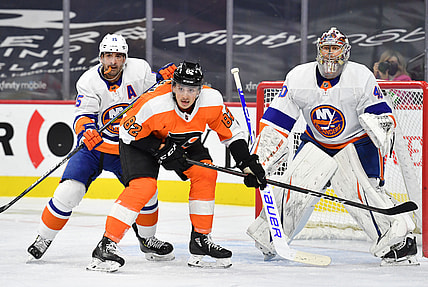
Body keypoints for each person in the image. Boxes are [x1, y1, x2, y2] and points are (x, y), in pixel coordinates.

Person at [246, 27, 418, 266]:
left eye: (334, 48)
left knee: (363, 192)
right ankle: (270, 237)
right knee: (294, 187)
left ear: (345, 52)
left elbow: (381, 114)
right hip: (317, 141)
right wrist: (258, 161)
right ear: (318, 50)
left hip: (357, 142)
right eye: (325, 48)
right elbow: (277, 122)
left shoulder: (360, 76)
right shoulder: (298, 77)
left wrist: (380, 127)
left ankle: (395, 242)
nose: (329, 54)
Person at [86, 61, 267, 272]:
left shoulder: (212, 101)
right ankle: (106, 244)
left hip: (182, 140)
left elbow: (232, 135)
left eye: (191, 89)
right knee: (143, 188)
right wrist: (160, 147)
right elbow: (127, 134)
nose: (185, 95)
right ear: (173, 86)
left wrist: (247, 163)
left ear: (200, 90)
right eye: (180, 87)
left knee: (205, 173)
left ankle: (200, 240)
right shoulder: (154, 104)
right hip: (141, 143)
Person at [27, 33, 177, 262]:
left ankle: (148, 240)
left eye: (118, 56)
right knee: (69, 192)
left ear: (125, 58)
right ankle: (44, 237)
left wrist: (166, 81)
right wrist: (86, 130)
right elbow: (83, 115)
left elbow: (156, 92)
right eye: (109, 56)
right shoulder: (88, 81)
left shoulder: (139, 70)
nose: (113, 61)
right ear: (100, 57)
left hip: (128, 146)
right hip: (95, 147)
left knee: (148, 192)